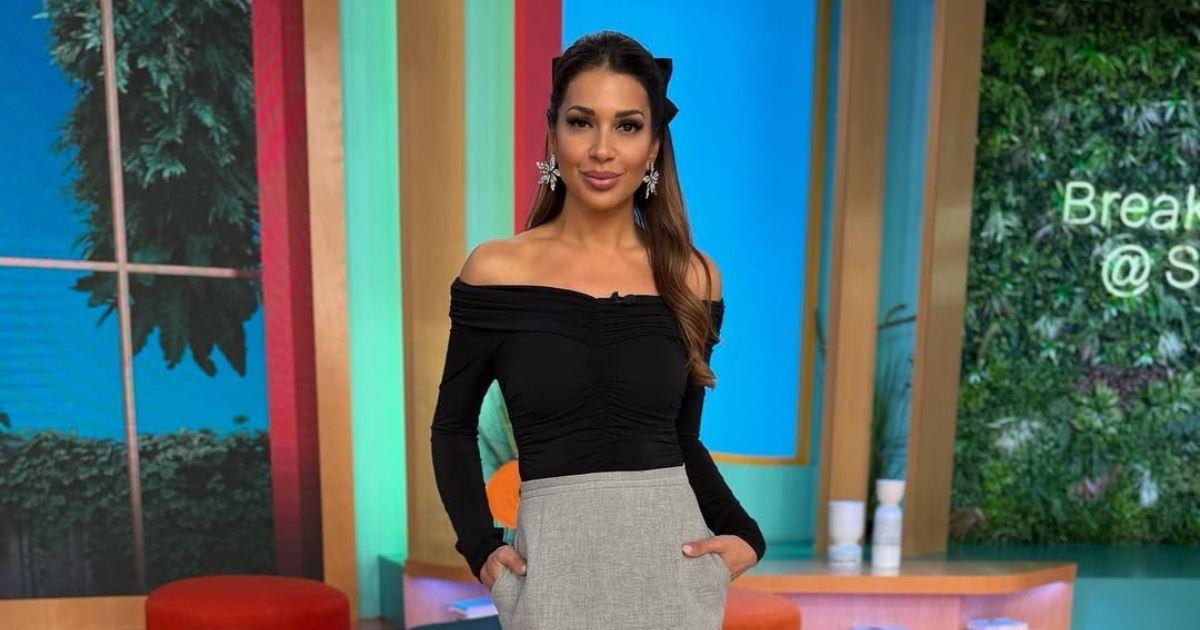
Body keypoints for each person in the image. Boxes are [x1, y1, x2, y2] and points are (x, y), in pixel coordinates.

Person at [430, 30, 765, 630]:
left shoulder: (694, 277)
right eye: (582, 122)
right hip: (553, 578)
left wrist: (745, 534)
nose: (602, 149)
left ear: (654, 145)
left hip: (673, 575)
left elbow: (683, 439)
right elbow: (452, 426)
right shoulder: (495, 270)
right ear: (553, 133)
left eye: (627, 126)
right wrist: (480, 547)